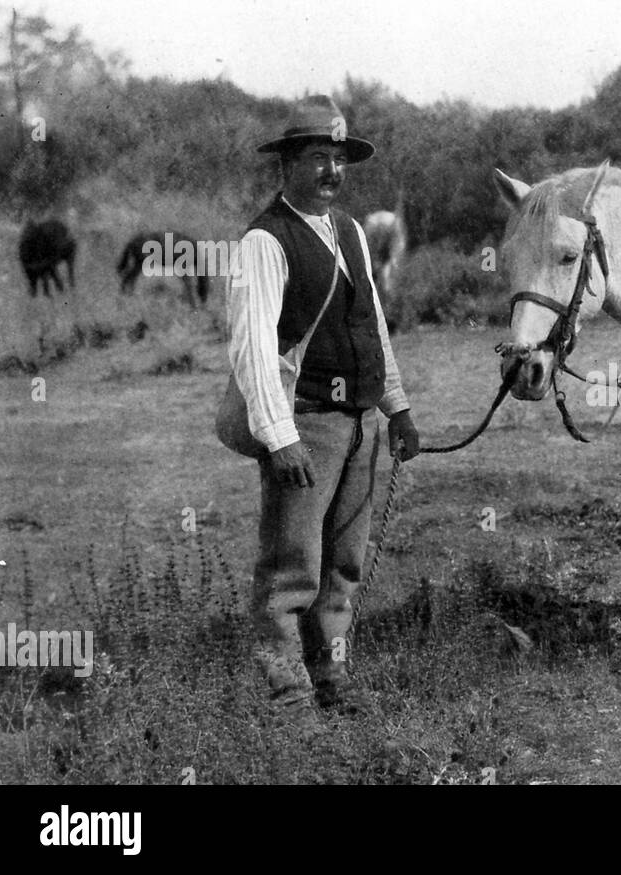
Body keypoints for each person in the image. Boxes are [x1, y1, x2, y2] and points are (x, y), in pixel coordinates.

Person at [226, 95, 420, 726]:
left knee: (343, 567)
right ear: (287, 165)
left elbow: (374, 328)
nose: (332, 171)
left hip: (361, 425)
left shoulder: (354, 233)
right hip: (305, 424)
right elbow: (253, 346)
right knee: (291, 574)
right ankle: (288, 705)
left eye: (339, 159)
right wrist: (279, 439)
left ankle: (332, 681)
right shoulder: (265, 239)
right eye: (318, 157)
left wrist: (398, 407)